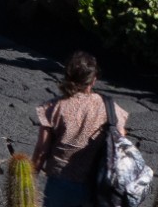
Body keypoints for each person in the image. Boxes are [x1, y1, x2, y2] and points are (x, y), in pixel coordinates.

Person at [31, 51, 127, 204]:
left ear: (68, 77)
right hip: (94, 183)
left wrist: (29, 180)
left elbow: (41, 151)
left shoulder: (54, 107)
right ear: (93, 80)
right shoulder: (109, 108)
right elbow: (120, 140)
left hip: (59, 182)